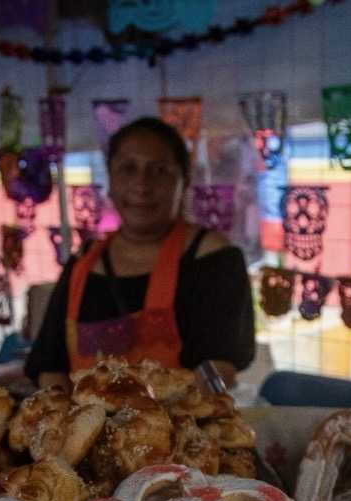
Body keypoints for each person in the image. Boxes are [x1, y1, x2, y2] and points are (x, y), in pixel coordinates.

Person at [25, 116, 255, 389]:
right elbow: (50, 367)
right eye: (128, 169)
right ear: (110, 178)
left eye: (159, 170)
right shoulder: (83, 263)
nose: (142, 185)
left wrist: (155, 424)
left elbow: (220, 368)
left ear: (184, 180)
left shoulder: (212, 258)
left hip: (180, 427)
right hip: (84, 428)